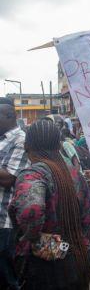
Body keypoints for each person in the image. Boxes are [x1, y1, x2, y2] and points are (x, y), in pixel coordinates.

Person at [9, 120, 90, 289]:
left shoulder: (33, 174)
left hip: (48, 267)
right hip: (79, 258)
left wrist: (32, 238)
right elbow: (86, 219)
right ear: (58, 145)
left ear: (27, 146)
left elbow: (30, 212)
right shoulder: (76, 174)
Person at [0, 98, 29, 289]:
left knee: (8, 278)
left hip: (5, 224)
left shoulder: (21, 140)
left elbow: (9, 178)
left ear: (9, 116)